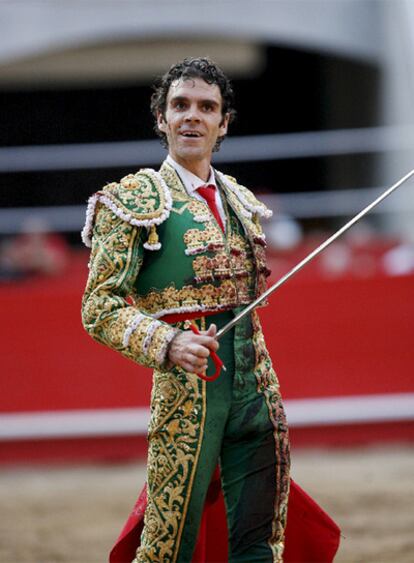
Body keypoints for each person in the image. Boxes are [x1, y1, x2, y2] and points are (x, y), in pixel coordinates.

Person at [81, 57, 291, 563]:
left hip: (258, 391)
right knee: (167, 545)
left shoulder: (242, 200)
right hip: (186, 395)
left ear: (224, 123)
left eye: (206, 107)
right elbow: (98, 306)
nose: (192, 116)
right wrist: (169, 342)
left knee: (260, 544)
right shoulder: (132, 199)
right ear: (161, 118)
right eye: (180, 105)